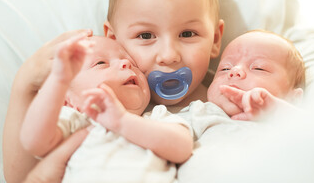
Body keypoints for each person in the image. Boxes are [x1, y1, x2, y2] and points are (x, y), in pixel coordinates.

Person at [3, 0, 223, 182]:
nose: (168, 55)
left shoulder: (229, 95)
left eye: (188, 33)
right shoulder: (89, 109)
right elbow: (24, 174)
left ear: (216, 39)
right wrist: (24, 85)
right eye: (146, 36)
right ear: (113, 39)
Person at [20, 34, 193, 182]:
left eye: (133, 63)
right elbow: (33, 142)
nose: (125, 63)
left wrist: (123, 122)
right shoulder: (76, 121)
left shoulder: (155, 118)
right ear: (68, 100)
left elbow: (183, 148)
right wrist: (57, 81)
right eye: (101, 63)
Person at [207, 30, 305, 121]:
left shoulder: (289, 124)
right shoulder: (198, 113)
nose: (235, 70)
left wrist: (277, 110)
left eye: (258, 68)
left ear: (293, 99)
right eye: (225, 69)